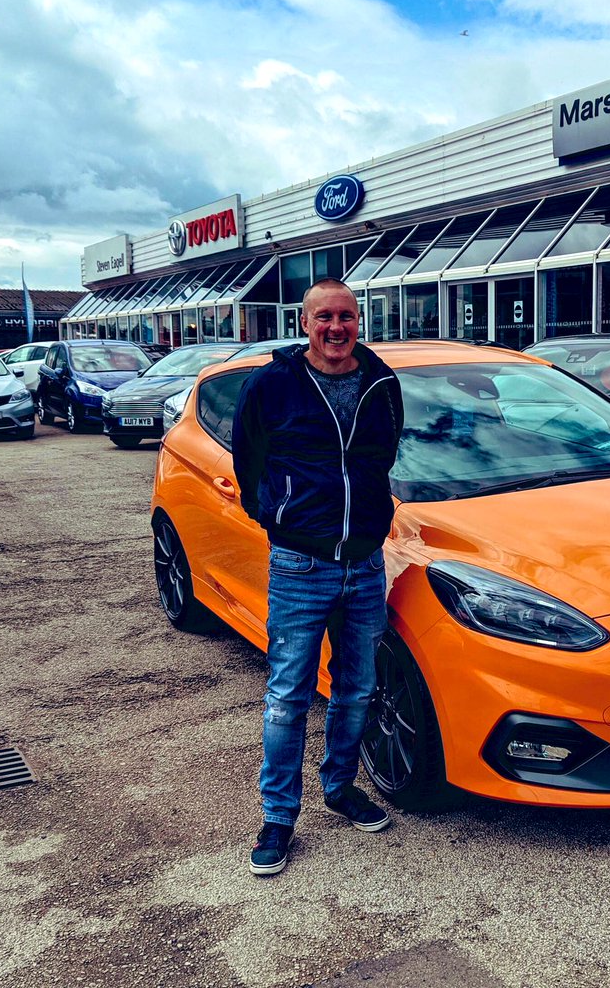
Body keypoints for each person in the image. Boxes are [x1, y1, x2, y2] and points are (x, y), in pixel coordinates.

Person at [232, 278, 404, 876]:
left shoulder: (381, 382)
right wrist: (280, 519)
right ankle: (278, 816)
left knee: (356, 687)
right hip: (300, 565)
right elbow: (246, 459)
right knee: (287, 696)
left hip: (364, 563)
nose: (336, 328)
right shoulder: (273, 384)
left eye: (347, 317)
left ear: (360, 322)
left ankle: (339, 788)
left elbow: (383, 456)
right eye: (324, 317)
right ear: (306, 323)